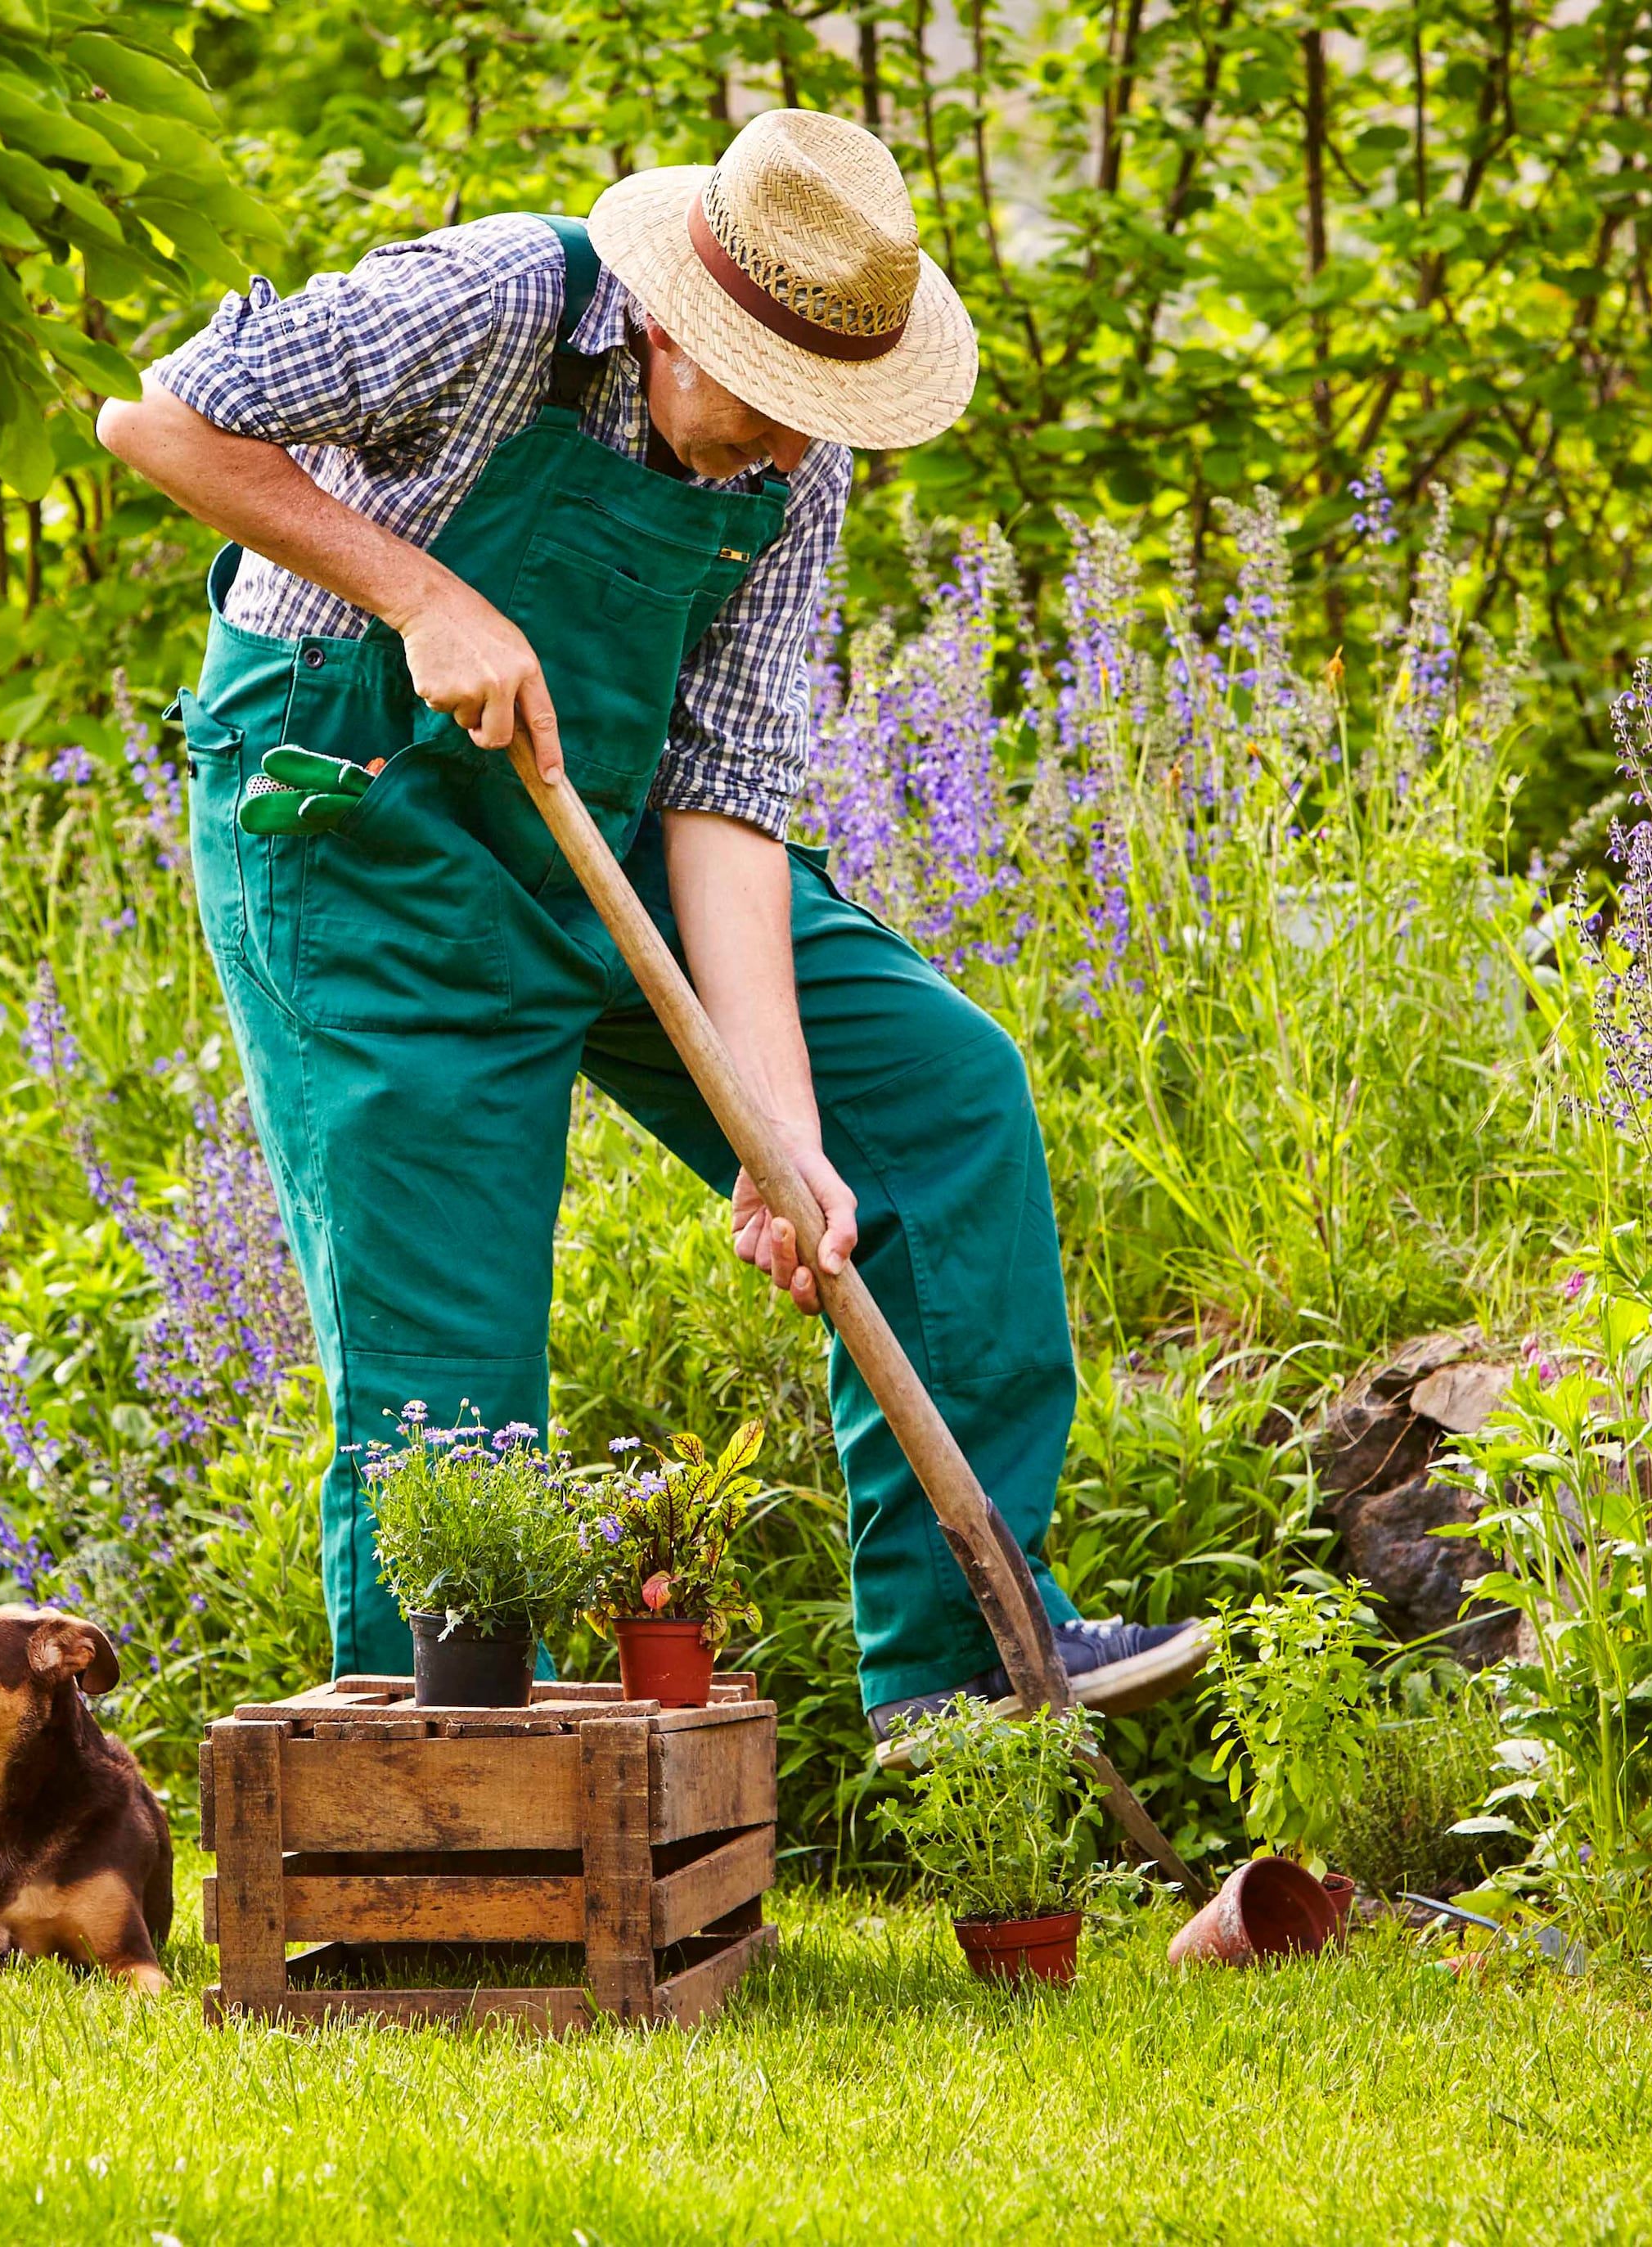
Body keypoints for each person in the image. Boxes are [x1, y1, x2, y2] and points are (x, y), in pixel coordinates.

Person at [95, 110, 1204, 1743]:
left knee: (933, 1103)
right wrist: (420, 593)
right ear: (677, 318)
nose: (783, 450)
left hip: (606, 819)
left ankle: (964, 1664)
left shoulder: (790, 459)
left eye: (818, 418)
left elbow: (729, 790)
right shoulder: (491, 301)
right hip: (362, 832)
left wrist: (779, 1133)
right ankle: (441, 1819)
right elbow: (164, 416)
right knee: (446, 1371)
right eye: (764, 403)